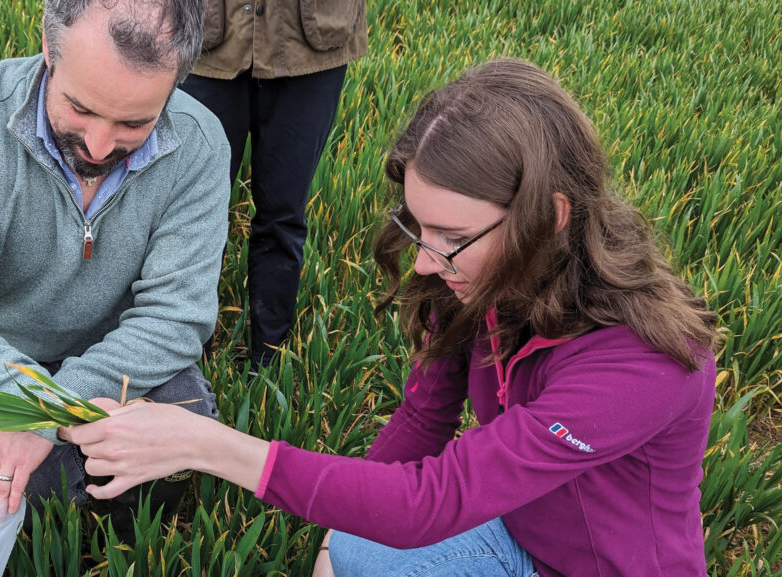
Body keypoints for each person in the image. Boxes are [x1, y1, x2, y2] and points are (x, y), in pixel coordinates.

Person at [60, 58, 718, 576]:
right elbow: (422, 420)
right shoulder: (476, 276)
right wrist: (344, 532)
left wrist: (204, 443)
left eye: (450, 234)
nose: (426, 263)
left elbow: (432, 502)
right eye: (417, 225)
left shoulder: (643, 360)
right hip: (516, 531)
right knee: (350, 549)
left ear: (549, 216)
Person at [0, 0, 230, 530]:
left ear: (176, 84)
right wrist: (25, 403)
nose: (97, 146)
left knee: (175, 448)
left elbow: (176, 317)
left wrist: (49, 413)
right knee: (33, 497)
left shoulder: (200, 144)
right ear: (49, 47)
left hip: (125, 360)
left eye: (135, 122)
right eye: (82, 108)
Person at [179, 1, 368, 367]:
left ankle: (269, 363)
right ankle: (182, 358)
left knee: (283, 216)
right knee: (190, 212)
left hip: (310, 41)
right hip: (203, 32)